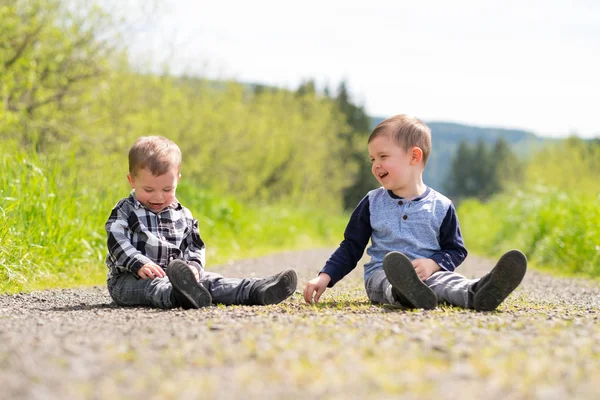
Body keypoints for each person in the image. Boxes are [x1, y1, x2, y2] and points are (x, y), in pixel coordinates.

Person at [303, 114, 527, 311]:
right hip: (381, 275)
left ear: (414, 157)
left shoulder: (442, 205)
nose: (375, 165)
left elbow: (455, 249)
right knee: (386, 281)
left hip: (428, 275)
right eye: (372, 159)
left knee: (447, 281)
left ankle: (478, 292)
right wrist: (325, 277)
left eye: (383, 156)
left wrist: (432, 264)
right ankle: (404, 293)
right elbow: (351, 247)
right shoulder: (372, 202)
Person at [105, 136, 298, 309]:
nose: (158, 197)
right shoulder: (125, 210)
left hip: (177, 278)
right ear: (131, 180)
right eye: (148, 190)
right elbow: (116, 240)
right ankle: (178, 295)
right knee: (153, 287)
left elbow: (195, 246)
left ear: (177, 181)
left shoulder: (183, 214)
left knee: (212, 281)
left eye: (167, 189)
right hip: (129, 280)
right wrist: (139, 263)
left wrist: (193, 268)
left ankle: (255, 290)